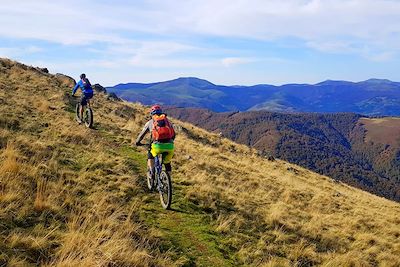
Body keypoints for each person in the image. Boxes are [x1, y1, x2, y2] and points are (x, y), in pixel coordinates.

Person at [135, 105, 175, 179]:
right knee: (167, 163)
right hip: (170, 146)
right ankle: (168, 180)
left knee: (150, 152)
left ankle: (151, 172)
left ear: (152, 114)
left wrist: (137, 142)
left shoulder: (150, 122)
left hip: (157, 147)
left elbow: (141, 135)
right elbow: (173, 135)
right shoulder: (168, 122)